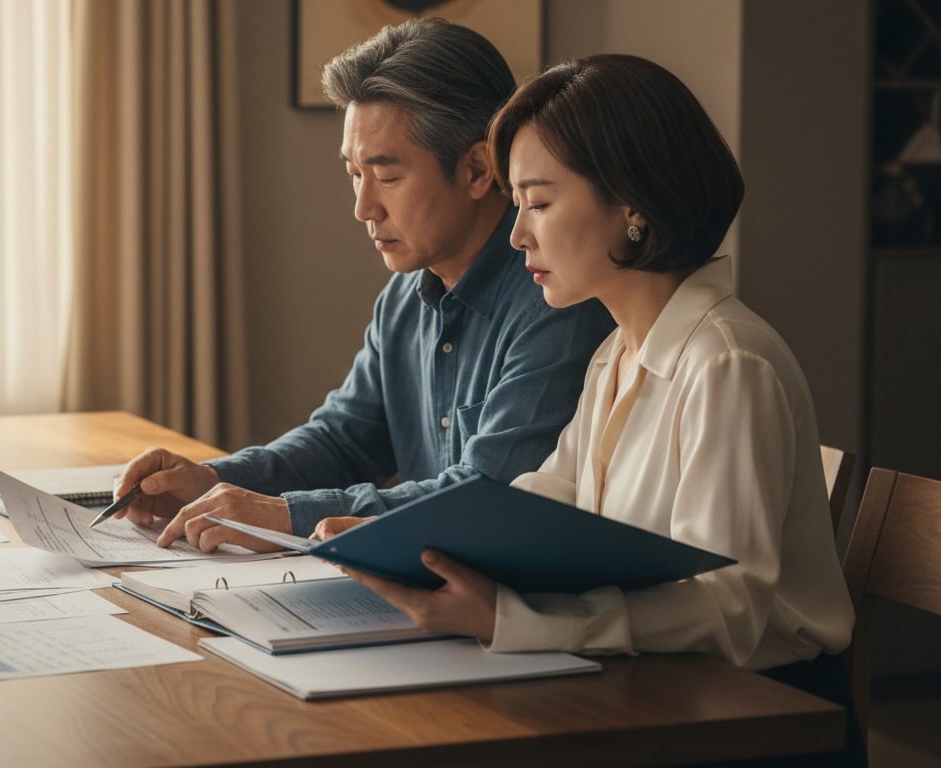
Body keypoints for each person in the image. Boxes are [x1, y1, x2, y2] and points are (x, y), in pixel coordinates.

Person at [327, 53, 862, 765]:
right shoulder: (618, 354)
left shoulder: (728, 364)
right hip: (654, 692)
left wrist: (513, 617)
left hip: (758, 722)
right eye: (516, 204)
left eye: (539, 204)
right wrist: (412, 547)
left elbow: (727, 609)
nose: (518, 236)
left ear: (633, 205)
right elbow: (548, 500)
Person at [111, 18, 615, 552]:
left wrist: (285, 515)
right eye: (355, 173)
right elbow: (342, 440)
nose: (363, 208)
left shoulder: (557, 299)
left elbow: (485, 495)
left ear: (476, 169)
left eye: (387, 176)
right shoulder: (404, 298)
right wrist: (214, 480)